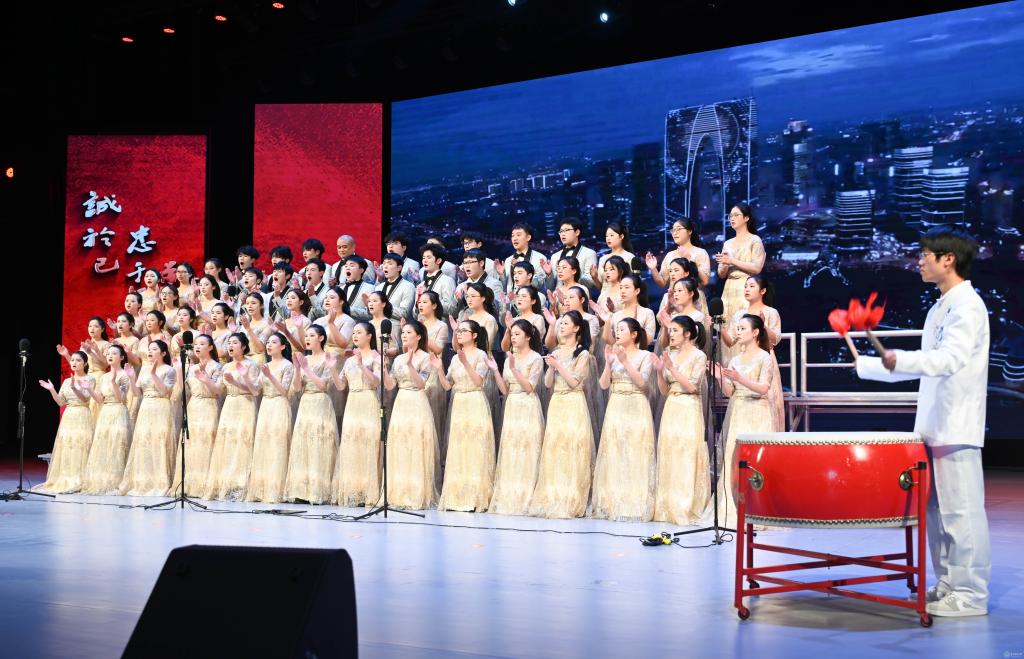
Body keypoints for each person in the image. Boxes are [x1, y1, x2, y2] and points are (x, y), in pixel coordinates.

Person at [855, 228, 990, 617]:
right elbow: (925, 366)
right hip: (934, 423)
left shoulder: (968, 305)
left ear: (948, 259)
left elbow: (949, 360)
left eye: (925, 255)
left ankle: (971, 594)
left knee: (961, 513)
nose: (919, 261)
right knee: (937, 513)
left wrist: (900, 357)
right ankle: (948, 583)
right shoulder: (939, 308)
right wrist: (868, 365)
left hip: (957, 423)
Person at [529, 312, 594, 519]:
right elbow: (548, 383)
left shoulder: (583, 353)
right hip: (557, 401)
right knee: (555, 447)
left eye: (566, 323)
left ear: (576, 328)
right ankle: (553, 493)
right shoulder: (556, 351)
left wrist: (558, 366)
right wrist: (551, 368)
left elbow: (575, 383)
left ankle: (572, 495)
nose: (562, 326)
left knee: (572, 447)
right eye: (561, 323)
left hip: (573, 402)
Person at [591, 318, 657, 522]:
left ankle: (634, 503)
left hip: (636, 404)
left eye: (621, 329)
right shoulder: (613, 355)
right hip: (616, 404)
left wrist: (625, 361)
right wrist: (608, 363)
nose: (617, 333)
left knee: (636, 451)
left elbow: (642, 382)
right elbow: (603, 385)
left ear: (634, 334)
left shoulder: (645, 356)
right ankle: (612, 501)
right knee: (615, 450)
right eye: (616, 329)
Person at [712, 314, 774, 528]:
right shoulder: (735, 360)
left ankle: (758, 509)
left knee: (756, 460)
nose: (737, 332)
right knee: (735, 457)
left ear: (755, 332)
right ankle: (733, 507)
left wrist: (740, 378)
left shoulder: (764, 357)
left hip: (757, 411)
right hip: (738, 410)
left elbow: (763, 388)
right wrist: (720, 378)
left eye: (742, 328)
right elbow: (730, 392)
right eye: (737, 328)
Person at [434, 320, 496, 512]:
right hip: (459, 403)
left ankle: (475, 498)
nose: (459, 334)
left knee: (475, 449)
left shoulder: (481, 355)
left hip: (475, 401)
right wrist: (439, 368)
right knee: (459, 449)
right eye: (458, 331)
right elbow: (447, 385)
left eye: (463, 331)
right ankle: (456, 497)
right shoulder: (455, 358)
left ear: (474, 335)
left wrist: (466, 362)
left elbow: (478, 381)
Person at [652, 316, 709, 526]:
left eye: (675, 330)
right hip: (672, 405)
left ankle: (685, 505)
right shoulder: (671, 353)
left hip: (689, 406)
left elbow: (693, 387)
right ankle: (667, 506)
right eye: (670, 330)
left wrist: (672, 368)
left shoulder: (699, 356)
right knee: (670, 451)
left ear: (687, 333)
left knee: (686, 452)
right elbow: (664, 390)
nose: (671, 334)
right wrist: (660, 372)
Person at [488, 320, 545, 516]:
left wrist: (514, 369)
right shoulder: (509, 359)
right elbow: (505, 389)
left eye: (517, 334)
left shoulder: (536, 358)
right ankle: (510, 495)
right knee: (511, 449)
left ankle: (526, 496)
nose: (513, 337)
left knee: (527, 449)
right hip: (512, 404)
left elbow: (530, 387)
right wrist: (496, 370)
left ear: (528, 337)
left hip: (527, 406)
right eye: (512, 334)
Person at [383, 321, 440, 510]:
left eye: (408, 332)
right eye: (403, 333)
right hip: (401, 402)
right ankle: (398, 493)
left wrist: (410, 365)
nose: (404, 335)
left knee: (416, 445)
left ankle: (416, 493)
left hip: (417, 401)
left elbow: (422, 384)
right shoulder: (398, 359)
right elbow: (391, 385)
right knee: (400, 445)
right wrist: (383, 370)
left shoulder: (426, 357)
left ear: (419, 336)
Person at [283, 326, 342, 504]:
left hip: (321, 402)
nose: (307, 339)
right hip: (306, 403)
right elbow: (296, 388)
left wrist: (307, 369)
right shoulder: (305, 358)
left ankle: (319, 491)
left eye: (311, 335)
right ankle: (301, 490)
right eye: (306, 336)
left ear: (321, 338)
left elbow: (324, 385)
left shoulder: (328, 357)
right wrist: (298, 369)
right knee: (304, 444)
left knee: (319, 443)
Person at [720, 275, 784, 431]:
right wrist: (720, 328)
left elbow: (775, 339)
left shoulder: (771, 312)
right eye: (745, 286)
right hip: (744, 361)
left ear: (762, 291)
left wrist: (763, 326)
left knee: (768, 400)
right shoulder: (739, 314)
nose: (747, 289)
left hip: (763, 360)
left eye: (751, 286)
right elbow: (730, 341)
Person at [203, 333, 260, 501]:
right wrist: (205, 379)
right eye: (229, 342)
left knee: (243, 442)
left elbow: (255, 390)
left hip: (245, 403)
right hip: (229, 404)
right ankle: (226, 483)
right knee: (227, 442)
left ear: (244, 346)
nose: (230, 345)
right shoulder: (226, 366)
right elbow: (218, 390)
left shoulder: (251, 365)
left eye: (235, 342)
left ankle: (240, 484)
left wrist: (235, 382)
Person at [332, 323, 383, 507]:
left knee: (368, 443)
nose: (354, 335)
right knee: (352, 443)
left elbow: (376, 382)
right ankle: (353, 491)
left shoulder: (376, 357)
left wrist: (362, 364)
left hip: (368, 400)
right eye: (353, 332)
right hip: (352, 402)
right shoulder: (349, 360)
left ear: (369, 336)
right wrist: (332, 369)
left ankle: (368, 492)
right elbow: (340, 386)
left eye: (359, 332)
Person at [119, 339, 176, 496]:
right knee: (144, 441)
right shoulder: (144, 370)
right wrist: (132, 378)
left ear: (163, 353)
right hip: (146, 407)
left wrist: (153, 374)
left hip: (161, 406)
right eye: (149, 349)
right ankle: (143, 480)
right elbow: (137, 393)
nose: (150, 352)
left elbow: (164, 391)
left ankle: (160, 481)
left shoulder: (169, 370)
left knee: (159, 441)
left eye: (154, 349)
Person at [33, 351, 95, 494]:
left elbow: (85, 399)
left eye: (78, 360)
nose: (74, 363)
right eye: (72, 360)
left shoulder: (90, 379)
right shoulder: (67, 381)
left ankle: (80, 478)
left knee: (81, 446)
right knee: (68, 446)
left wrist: (75, 388)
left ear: (85, 363)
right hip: (69, 416)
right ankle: (66, 477)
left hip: (82, 414)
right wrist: (52, 390)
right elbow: (61, 402)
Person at [167, 334, 222, 497]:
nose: (197, 347)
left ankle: (204, 485)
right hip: (193, 407)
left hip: (209, 405)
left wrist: (205, 378)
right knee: (191, 444)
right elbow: (185, 391)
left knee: (206, 442)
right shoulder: (191, 368)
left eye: (202, 344)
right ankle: (189, 485)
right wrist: (179, 371)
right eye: (196, 344)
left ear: (210, 347)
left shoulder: (217, 367)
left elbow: (217, 391)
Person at [244, 333, 295, 503]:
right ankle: (261, 489)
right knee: (264, 445)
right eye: (267, 342)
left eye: (273, 342)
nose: (269, 345)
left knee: (277, 445)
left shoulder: (287, 365)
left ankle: (276, 489)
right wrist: (246, 378)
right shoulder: (266, 365)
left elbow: (284, 391)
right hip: (266, 405)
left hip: (279, 404)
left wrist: (270, 375)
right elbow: (256, 391)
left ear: (283, 346)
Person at [715, 203, 765, 364]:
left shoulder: (754, 240)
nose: (732, 218)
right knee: (727, 328)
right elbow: (721, 274)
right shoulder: (728, 243)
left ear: (746, 218)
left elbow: (756, 268)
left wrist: (732, 261)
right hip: (729, 289)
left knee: (744, 326)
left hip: (746, 286)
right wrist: (724, 264)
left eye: (736, 215)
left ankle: (745, 368)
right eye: (730, 216)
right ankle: (728, 371)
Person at [80, 345, 132, 495]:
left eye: (114, 353)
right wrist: (89, 389)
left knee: (117, 444)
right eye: (108, 353)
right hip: (105, 412)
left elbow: (121, 398)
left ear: (122, 357)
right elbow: (99, 400)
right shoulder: (104, 377)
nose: (110, 356)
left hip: (118, 410)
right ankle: (102, 478)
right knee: (104, 444)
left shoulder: (125, 375)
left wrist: (114, 383)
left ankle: (116, 480)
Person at [549, 218, 598, 291]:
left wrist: (573, 274)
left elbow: (591, 283)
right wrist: (549, 274)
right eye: (561, 231)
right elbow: (550, 286)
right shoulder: (555, 256)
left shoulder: (589, 253)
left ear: (577, 232)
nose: (563, 234)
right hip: (558, 296)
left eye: (566, 230)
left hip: (580, 296)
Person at [496, 223, 547, 292]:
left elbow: (540, 285)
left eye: (518, 235)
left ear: (528, 237)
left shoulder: (539, 258)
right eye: (513, 235)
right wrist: (502, 275)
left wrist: (523, 268)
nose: (514, 238)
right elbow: (506, 287)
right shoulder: (508, 260)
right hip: (512, 298)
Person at [417, 243, 456, 319]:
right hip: (421, 324)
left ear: (438, 261)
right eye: (423, 258)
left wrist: (429, 296)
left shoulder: (447, 281)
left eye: (428, 257)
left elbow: (452, 310)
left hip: (439, 324)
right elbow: (415, 314)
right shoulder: (421, 284)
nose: (425, 260)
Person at [375, 252, 417, 322]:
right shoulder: (378, 287)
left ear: (399, 268)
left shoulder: (408, 286)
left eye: (390, 264)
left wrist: (382, 307)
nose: (385, 266)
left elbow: (404, 313)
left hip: (397, 326)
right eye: (384, 263)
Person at [340, 256, 375, 321]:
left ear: (361, 270)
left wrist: (348, 310)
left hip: (359, 325)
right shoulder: (340, 288)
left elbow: (371, 314)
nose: (348, 268)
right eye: (346, 266)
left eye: (352, 266)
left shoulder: (370, 288)